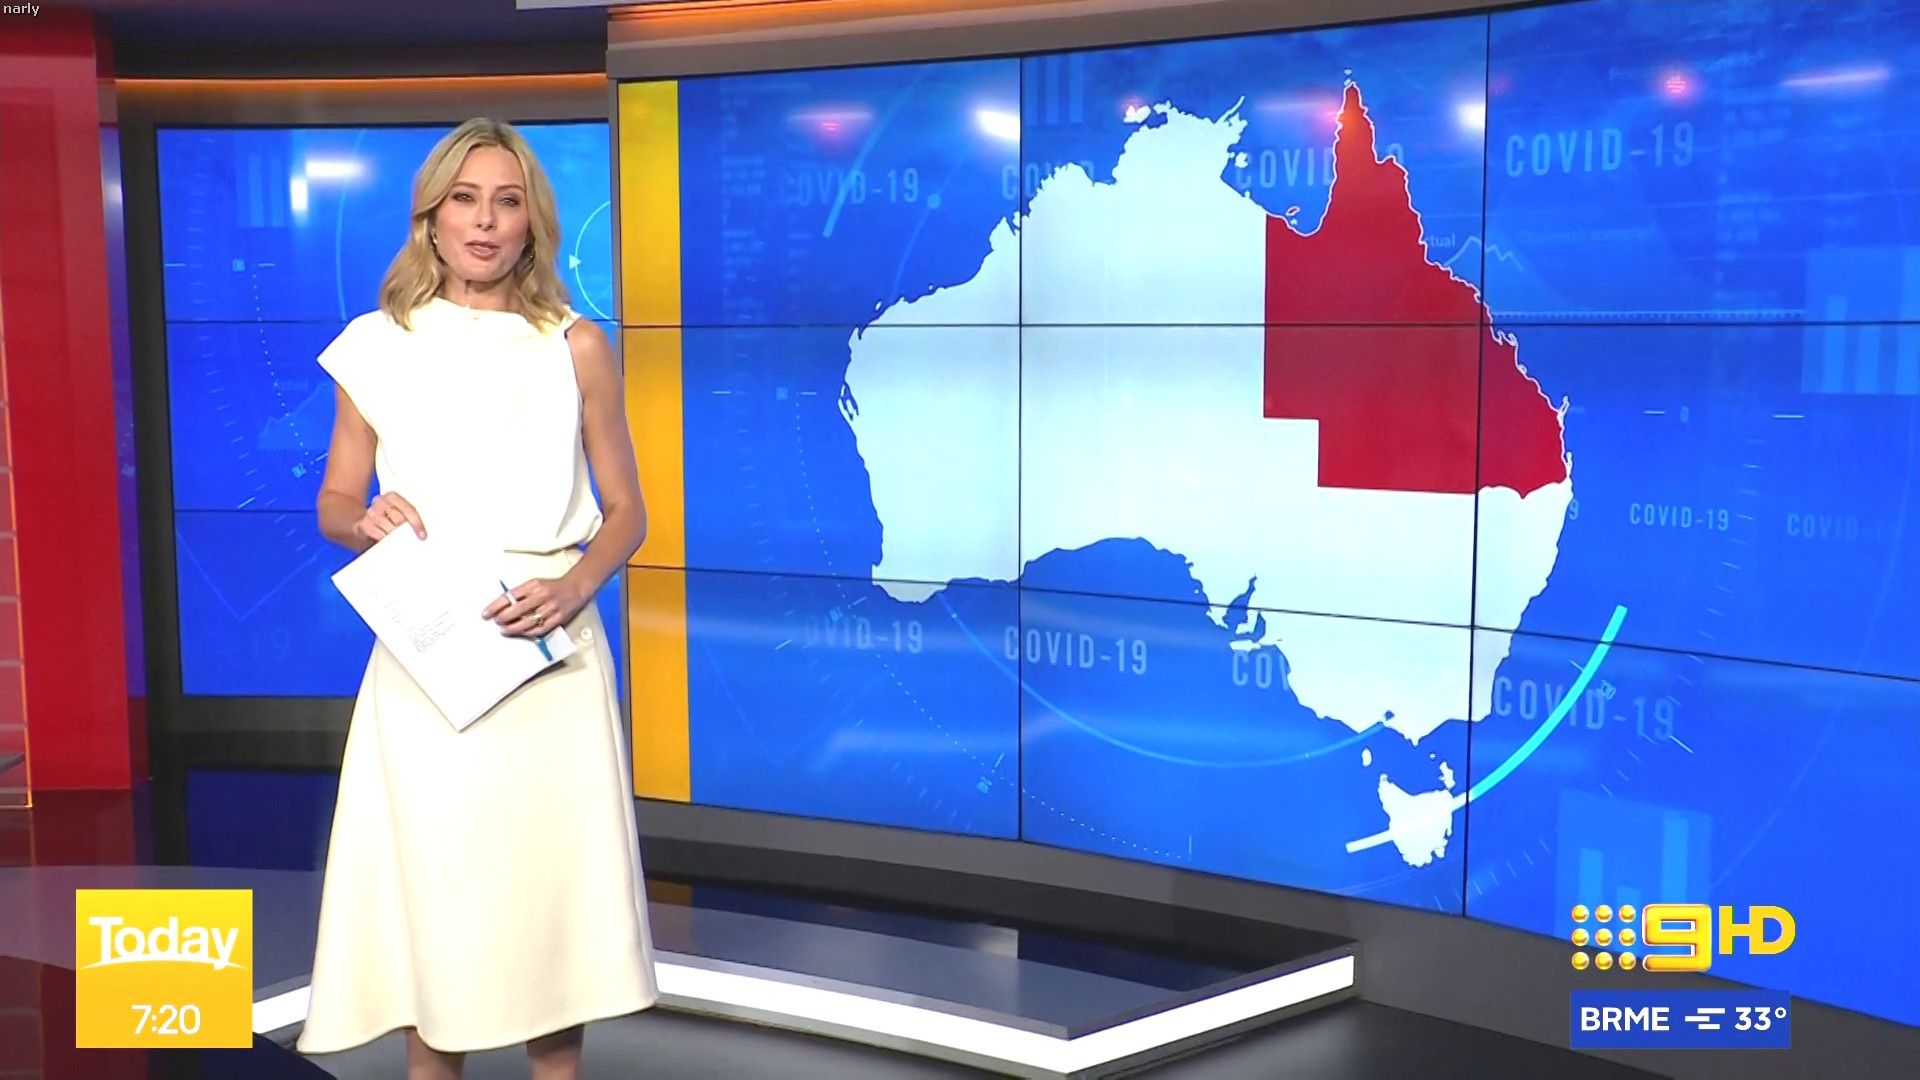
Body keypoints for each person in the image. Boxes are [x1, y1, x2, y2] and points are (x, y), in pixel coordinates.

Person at [295, 118, 658, 1079]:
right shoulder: (376, 345)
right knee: (439, 892)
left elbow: (628, 511)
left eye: (506, 201)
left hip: (547, 658)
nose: (485, 221)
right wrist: (362, 519)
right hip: (428, 657)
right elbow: (336, 500)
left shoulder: (575, 347)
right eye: (465, 199)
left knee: (552, 904)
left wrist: (573, 587)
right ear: (432, 215)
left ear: (532, 221)